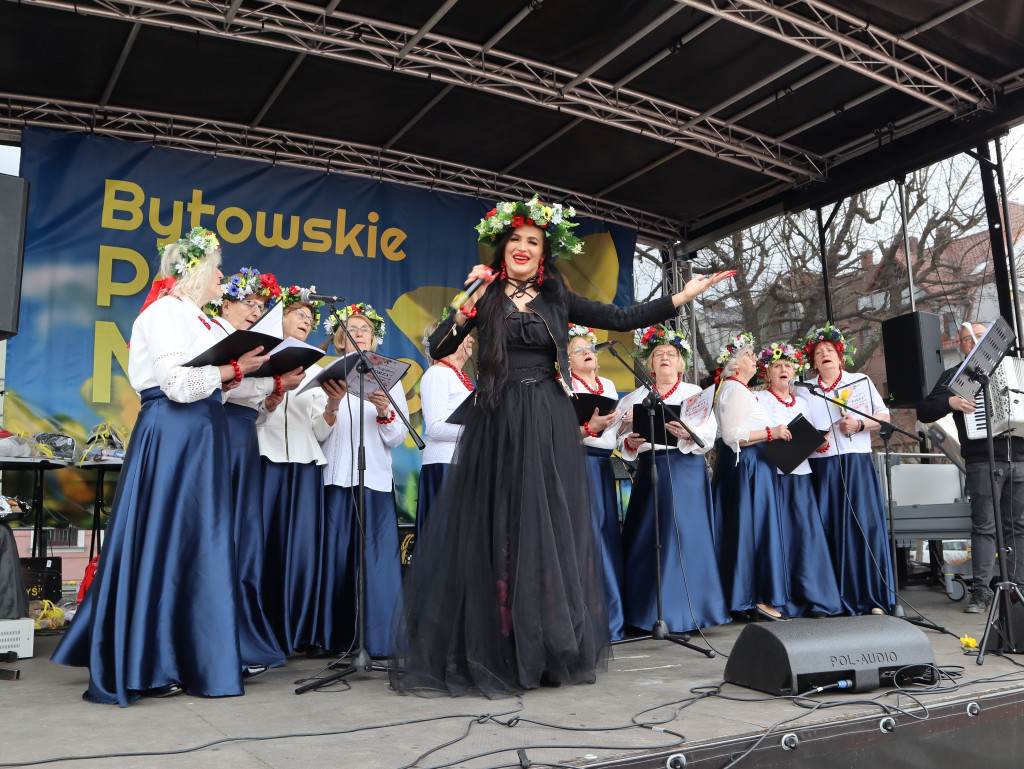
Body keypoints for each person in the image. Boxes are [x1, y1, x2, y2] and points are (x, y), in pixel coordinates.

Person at [390, 195, 734, 697]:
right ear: (502, 248)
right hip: (500, 414)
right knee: (500, 526)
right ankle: (496, 645)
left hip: (549, 414)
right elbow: (441, 347)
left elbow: (623, 316)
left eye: (534, 241)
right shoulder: (483, 297)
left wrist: (683, 296)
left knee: (547, 527)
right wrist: (467, 302)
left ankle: (544, 646)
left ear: (544, 253)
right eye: (517, 240)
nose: (524, 247)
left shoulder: (556, 296)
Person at [52, 228, 270, 705]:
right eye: (216, 268)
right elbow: (176, 384)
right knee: (168, 538)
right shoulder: (167, 312)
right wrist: (232, 371)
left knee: (196, 541)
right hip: (174, 431)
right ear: (194, 272)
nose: (222, 277)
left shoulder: (202, 319)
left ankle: (189, 655)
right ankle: (152, 661)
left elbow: (211, 384)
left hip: (200, 432)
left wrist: (244, 374)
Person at [619, 326, 730, 635]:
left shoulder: (694, 393)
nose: (664, 358)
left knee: (687, 539)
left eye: (671, 354)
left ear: (681, 363)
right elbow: (620, 438)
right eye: (658, 354)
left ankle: (692, 610)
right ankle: (647, 612)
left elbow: (709, 435)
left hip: (686, 470)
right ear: (650, 364)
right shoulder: (635, 398)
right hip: (650, 469)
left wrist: (688, 434)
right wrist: (628, 443)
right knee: (649, 538)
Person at [214, 267, 295, 671]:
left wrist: (273, 393)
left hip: (244, 438)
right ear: (225, 302)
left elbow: (253, 411)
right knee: (219, 532)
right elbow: (214, 392)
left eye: (260, 307)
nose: (254, 311)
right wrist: (257, 377)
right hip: (216, 437)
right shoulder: (211, 334)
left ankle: (241, 634)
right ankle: (217, 637)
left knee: (243, 536)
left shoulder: (252, 348)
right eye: (248, 303)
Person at [256, 289, 345, 654]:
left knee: (301, 551)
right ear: (279, 318)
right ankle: (260, 631)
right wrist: (271, 400)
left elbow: (319, 431)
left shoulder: (318, 368)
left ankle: (297, 632)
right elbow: (252, 413)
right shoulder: (260, 358)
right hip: (268, 462)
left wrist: (333, 406)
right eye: (299, 315)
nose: (306, 321)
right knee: (265, 547)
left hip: (306, 467)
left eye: (310, 318)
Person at [320, 302, 409, 657]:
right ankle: (334, 639)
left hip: (373, 480)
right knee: (337, 558)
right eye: (352, 330)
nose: (358, 334)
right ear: (340, 340)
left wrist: (385, 410)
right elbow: (317, 435)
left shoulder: (388, 377)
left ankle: (379, 639)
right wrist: (331, 404)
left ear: (374, 340)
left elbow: (398, 438)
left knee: (376, 559)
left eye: (365, 330)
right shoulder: (325, 374)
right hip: (335, 480)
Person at [917, 321, 1024, 613]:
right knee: (985, 527)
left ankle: (1018, 590)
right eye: (966, 339)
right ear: (961, 345)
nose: (973, 342)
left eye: (979, 337)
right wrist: (950, 401)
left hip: (1020, 457)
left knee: (1018, 527)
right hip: (981, 459)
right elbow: (924, 411)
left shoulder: (1016, 368)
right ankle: (981, 593)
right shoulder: (954, 376)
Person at [798, 323, 893, 615]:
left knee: (862, 527)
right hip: (820, 468)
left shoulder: (859, 380)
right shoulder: (805, 390)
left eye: (829, 350)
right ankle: (829, 599)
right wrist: (814, 444)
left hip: (855, 463)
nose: (824, 355)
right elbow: (798, 429)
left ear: (840, 356)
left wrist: (860, 424)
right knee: (825, 530)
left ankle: (871, 597)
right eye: (818, 352)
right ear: (812, 362)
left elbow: (884, 416)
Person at [755, 343, 842, 618]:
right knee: (781, 538)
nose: (784, 370)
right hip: (774, 477)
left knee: (806, 537)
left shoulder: (803, 401)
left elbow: (813, 435)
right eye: (777, 366)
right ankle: (783, 599)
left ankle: (814, 598)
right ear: (767, 373)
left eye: (789, 366)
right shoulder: (759, 400)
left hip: (802, 475)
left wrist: (819, 444)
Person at [712, 332, 792, 621]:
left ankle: (750, 595)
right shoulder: (734, 389)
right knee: (750, 531)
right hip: (747, 468)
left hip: (754, 467)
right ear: (734, 367)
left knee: (751, 531)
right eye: (748, 355)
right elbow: (733, 436)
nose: (754, 358)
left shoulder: (741, 390)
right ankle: (751, 597)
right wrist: (773, 432)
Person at [567, 324, 627, 641]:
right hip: (576, 465)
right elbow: (559, 435)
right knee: (585, 539)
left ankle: (614, 619)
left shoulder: (608, 384)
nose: (587, 352)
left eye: (589, 348)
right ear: (566, 359)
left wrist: (625, 425)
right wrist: (588, 427)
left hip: (604, 466)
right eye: (578, 349)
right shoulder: (562, 386)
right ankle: (587, 622)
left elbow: (612, 437)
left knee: (607, 537)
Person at [416, 312, 474, 541]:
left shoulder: (460, 377)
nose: (471, 340)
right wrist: (475, 432)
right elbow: (435, 429)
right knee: (444, 539)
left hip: (461, 465)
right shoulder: (437, 374)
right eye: (466, 335)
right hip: (443, 467)